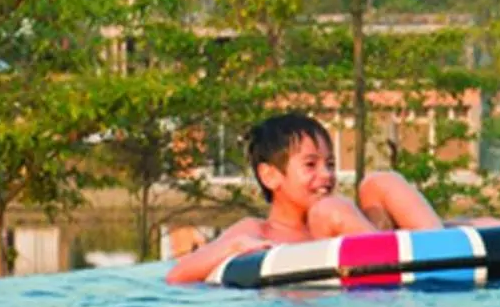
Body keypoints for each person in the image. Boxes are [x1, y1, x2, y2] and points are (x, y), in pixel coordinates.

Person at [164, 113, 447, 284]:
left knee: (379, 182)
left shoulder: (342, 216)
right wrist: (236, 246)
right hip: (364, 302)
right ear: (270, 176)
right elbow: (177, 275)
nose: (326, 175)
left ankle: (446, 251)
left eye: (331, 164)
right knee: (330, 210)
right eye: (310, 165)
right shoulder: (259, 231)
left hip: (402, 265)